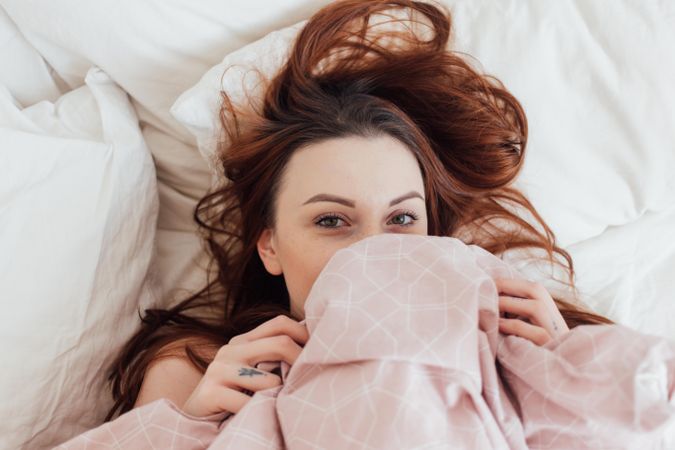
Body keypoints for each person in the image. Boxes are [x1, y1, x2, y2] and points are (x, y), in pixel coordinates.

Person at [104, 0, 613, 422]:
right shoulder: (198, 370)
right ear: (270, 246)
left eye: (402, 219)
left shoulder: (522, 348)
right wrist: (190, 427)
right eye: (331, 221)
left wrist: (570, 383)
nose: (376, 253)